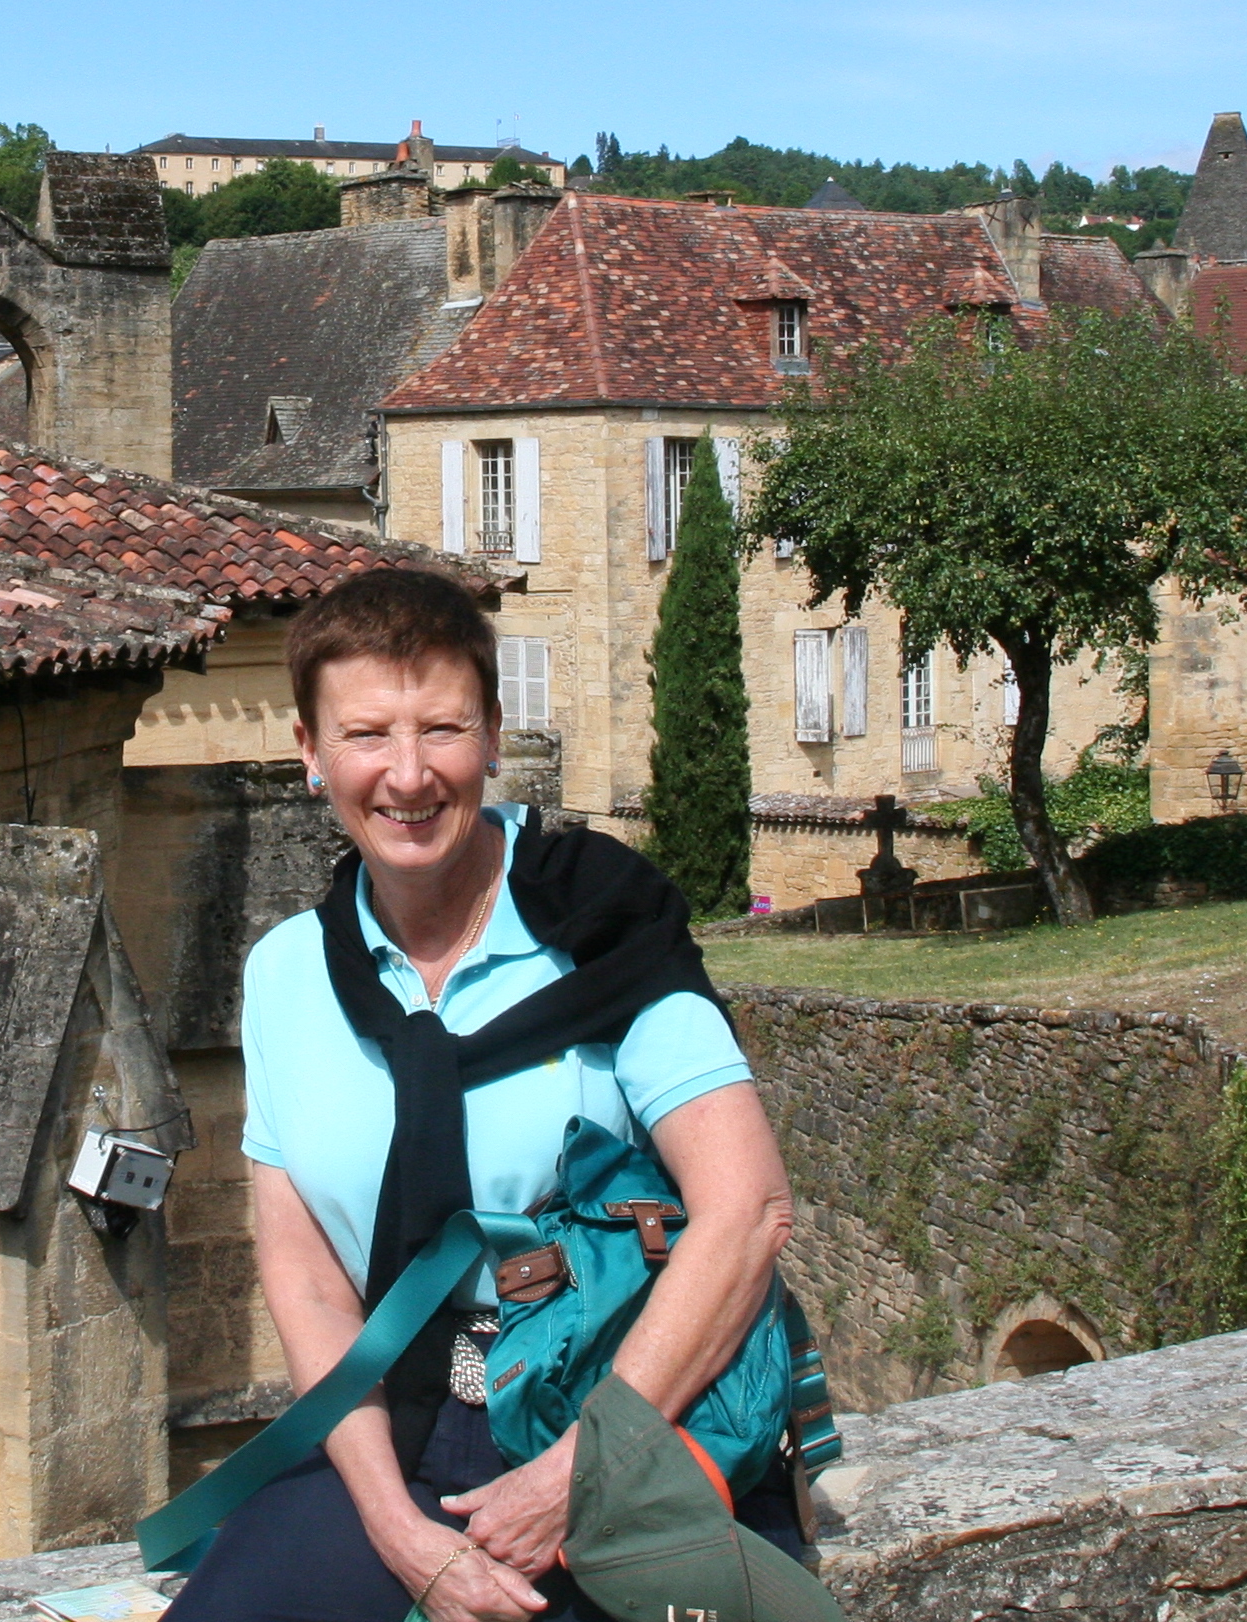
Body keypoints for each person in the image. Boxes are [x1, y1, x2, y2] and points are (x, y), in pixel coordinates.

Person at [164, 569, 800, 1622]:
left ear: (494, 733)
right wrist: (395, 1528)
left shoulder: (601, 922)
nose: (408, 773)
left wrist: (577, 1472)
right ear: (309, 750)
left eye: (443, 728)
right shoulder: (286, 974)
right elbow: (306, 1273)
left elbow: (749, 1209)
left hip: (620, 1400)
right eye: (367, 734)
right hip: (401, 1427)